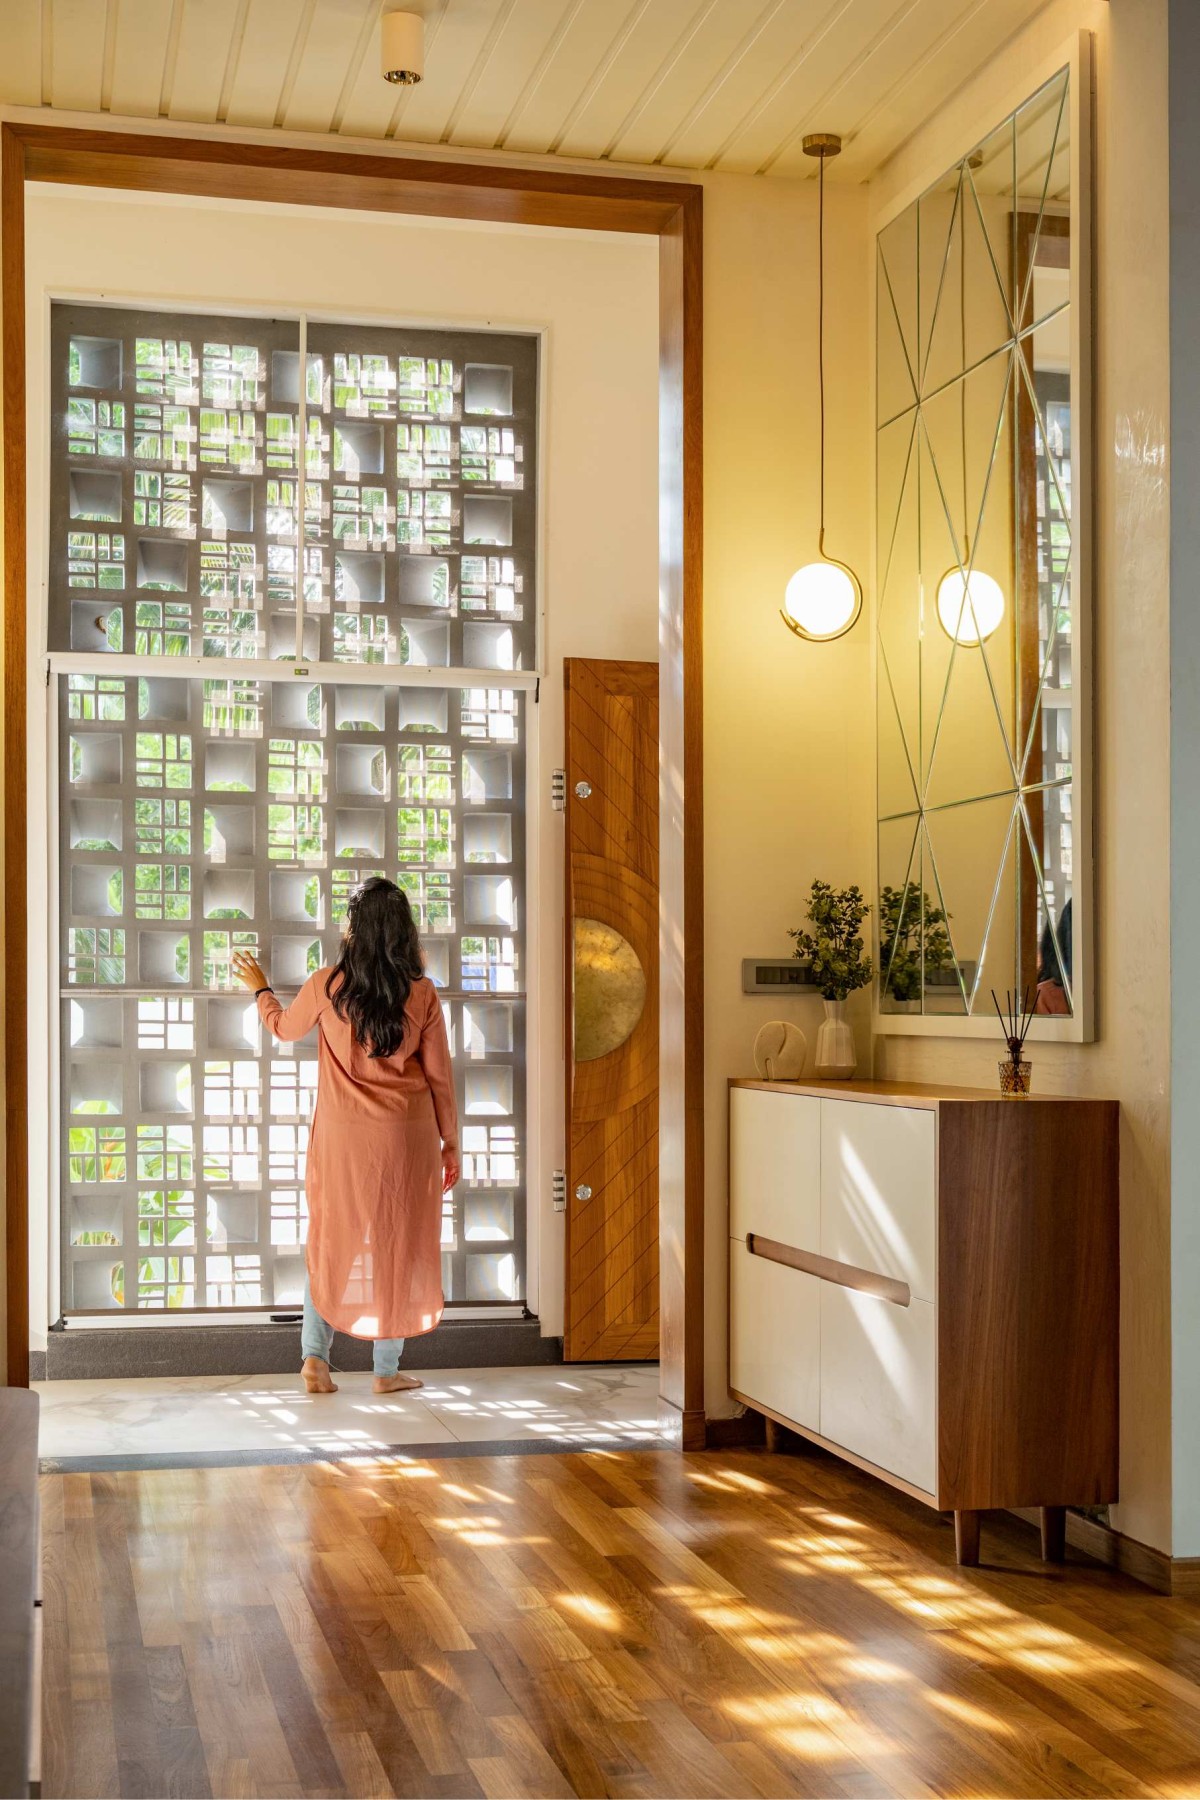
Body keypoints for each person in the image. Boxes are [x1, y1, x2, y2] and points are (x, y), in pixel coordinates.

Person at [232, 878, 459, 1397]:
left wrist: (262, 990)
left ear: (353, 929)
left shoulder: (325, 985)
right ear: (403, 932)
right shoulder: (421, 993)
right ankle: (385, 1370)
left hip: (341, 1142)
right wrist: (452, 1143)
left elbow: (285, 1029)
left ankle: (315, 1361)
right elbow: (441, 1078)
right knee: (397, 1244)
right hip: (406, 1140)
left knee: (332, 1239)